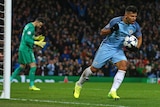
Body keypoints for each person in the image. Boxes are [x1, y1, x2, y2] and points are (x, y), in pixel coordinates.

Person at [73, 5, 142, 99]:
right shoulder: (116, 21)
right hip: (107, 47)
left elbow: (139, 37)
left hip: (118, 49)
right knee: (94, 69)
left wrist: (137, 48)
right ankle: (79, 84)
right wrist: (112, 29)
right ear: (126, 15)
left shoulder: (135, 26)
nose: (134, 18)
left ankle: (112, 91)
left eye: (135, 16)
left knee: (123, 66)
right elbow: (102, 32)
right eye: (132, 16)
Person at [10, 17, 46, 91]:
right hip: (26, 49)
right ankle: (31, 85)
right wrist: (36, 43)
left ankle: (9, 80)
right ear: (38, 22)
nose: (40, 27)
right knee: (33, 66)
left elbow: (28, 36)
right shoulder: (31, 28)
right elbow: (26, 39)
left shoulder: (29, 25)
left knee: (22, 66)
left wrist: (36, 38)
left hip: (23, 48)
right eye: (40, 25)